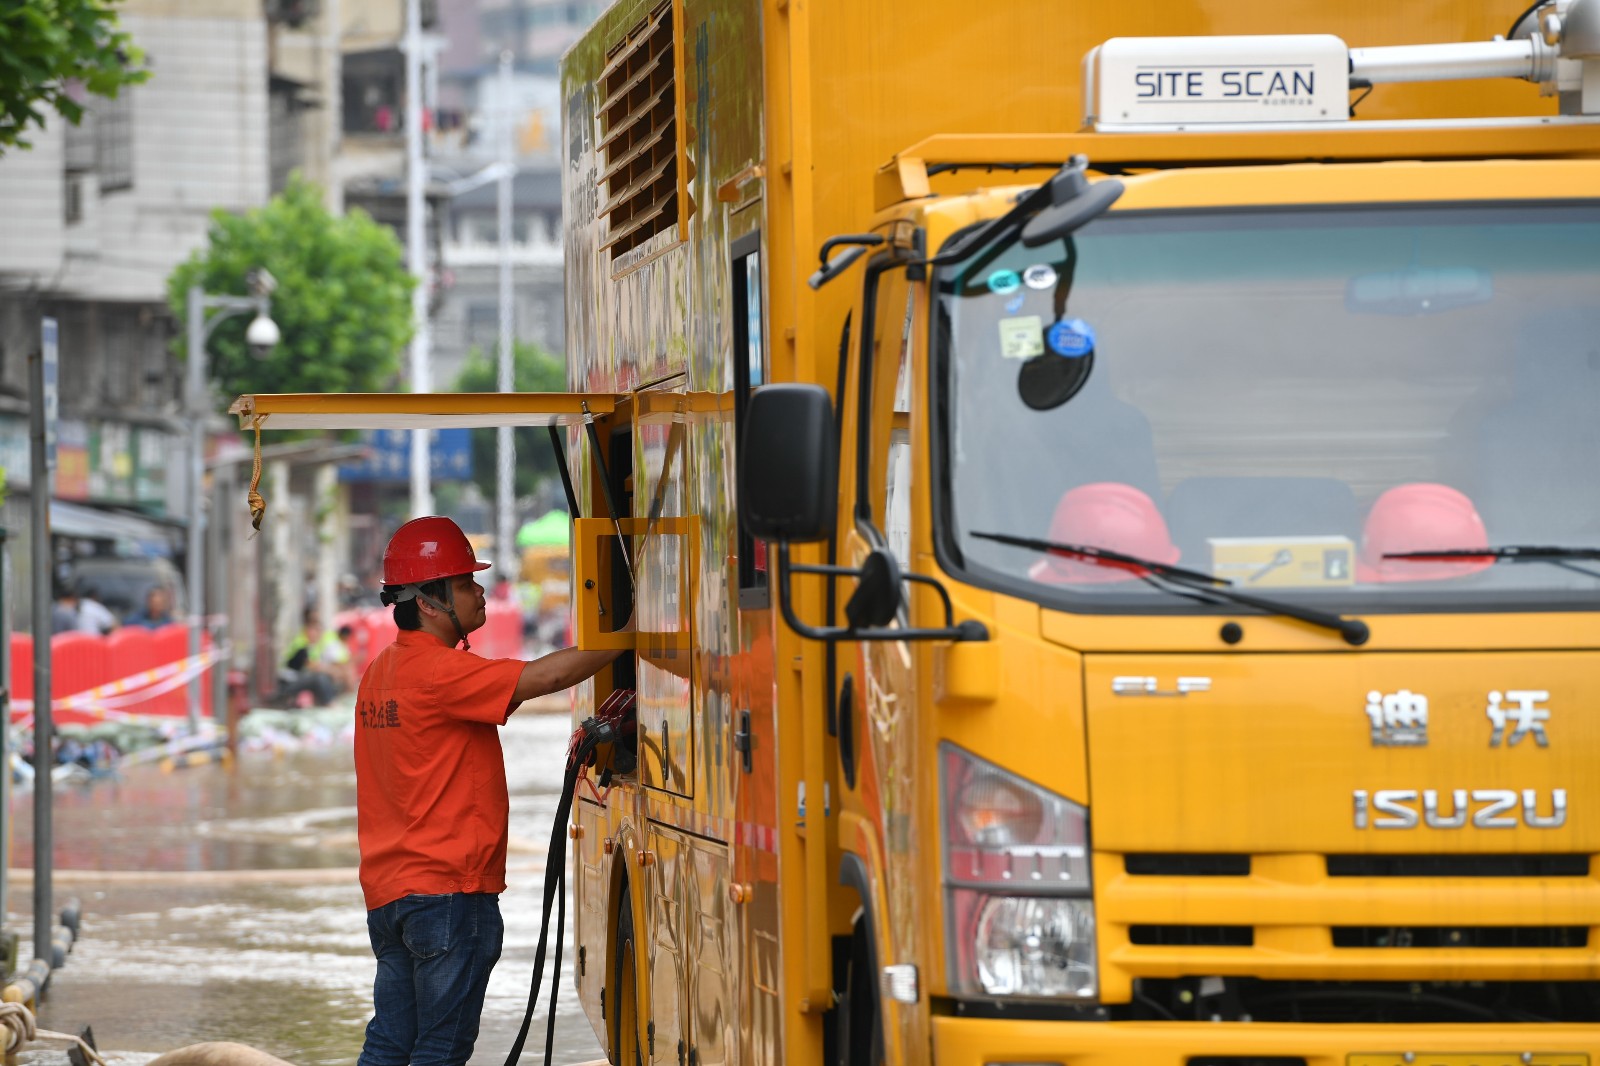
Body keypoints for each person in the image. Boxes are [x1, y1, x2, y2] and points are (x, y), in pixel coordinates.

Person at [354, 515, 629, 1066]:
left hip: (390, 896)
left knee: (392, 1041)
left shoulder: (380, 672)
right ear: (429, 602)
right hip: (447, 894)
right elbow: (543, 678)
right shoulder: (440, 672)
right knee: (441, 1046)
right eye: (464, 584)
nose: (480, 592)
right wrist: (633, 634)